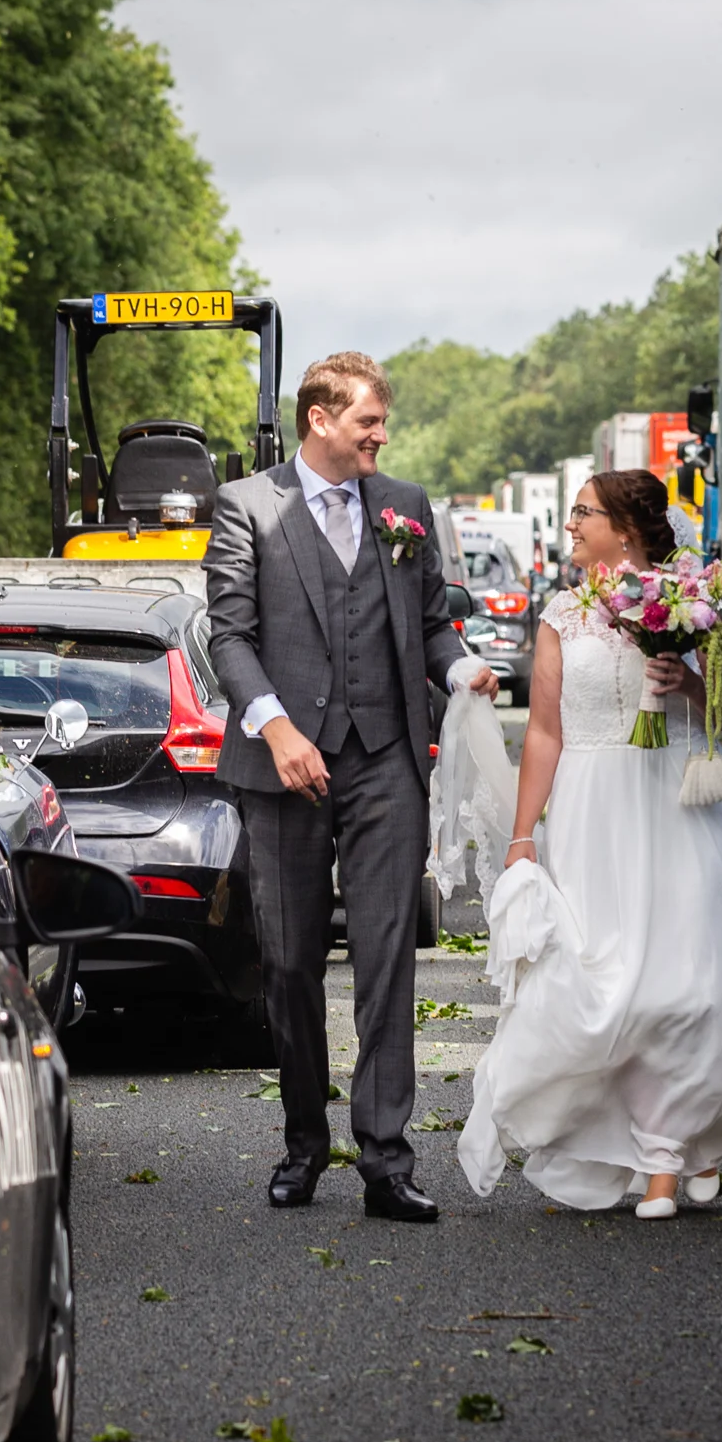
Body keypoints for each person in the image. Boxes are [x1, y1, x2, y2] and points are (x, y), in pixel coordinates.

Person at [457, 470, 722, 1219]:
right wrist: (524, 836)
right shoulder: (558, 615)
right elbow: (545, 733)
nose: (574, 522)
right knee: (606, 986)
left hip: (676, 806)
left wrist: (685, 683)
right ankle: (665, 1144)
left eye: (586, 512)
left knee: (694, 985)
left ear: (627, 528)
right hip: (591, 815)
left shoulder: (694, 604)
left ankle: (668, 1154)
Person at [205, 352, 497, 1224]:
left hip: (385, 762)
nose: (381, 434)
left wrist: (462, 673)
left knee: (386, 961)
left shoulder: (406, 507)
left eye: (382, 422)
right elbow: (229, 636)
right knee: (291, 964)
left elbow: (434, 625)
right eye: (368, 420)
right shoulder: (246, 508)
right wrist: (278, 726)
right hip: (283, 765)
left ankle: (386, 1159)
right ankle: (303, 1143)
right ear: (319, 421)